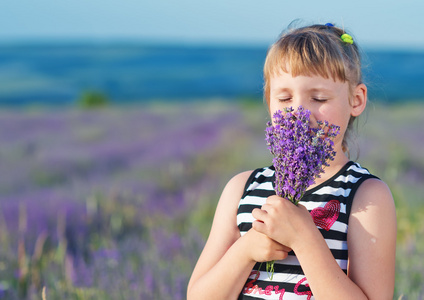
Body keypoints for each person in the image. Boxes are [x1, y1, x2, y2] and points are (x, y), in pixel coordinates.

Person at [187, 23, 396, 300]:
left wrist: (304, 238)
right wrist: (245, 249)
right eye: (284, 98)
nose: (298, 112)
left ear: (356, 100)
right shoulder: (242, 189)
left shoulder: (364, 196)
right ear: (269, 102)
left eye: (318, 97)